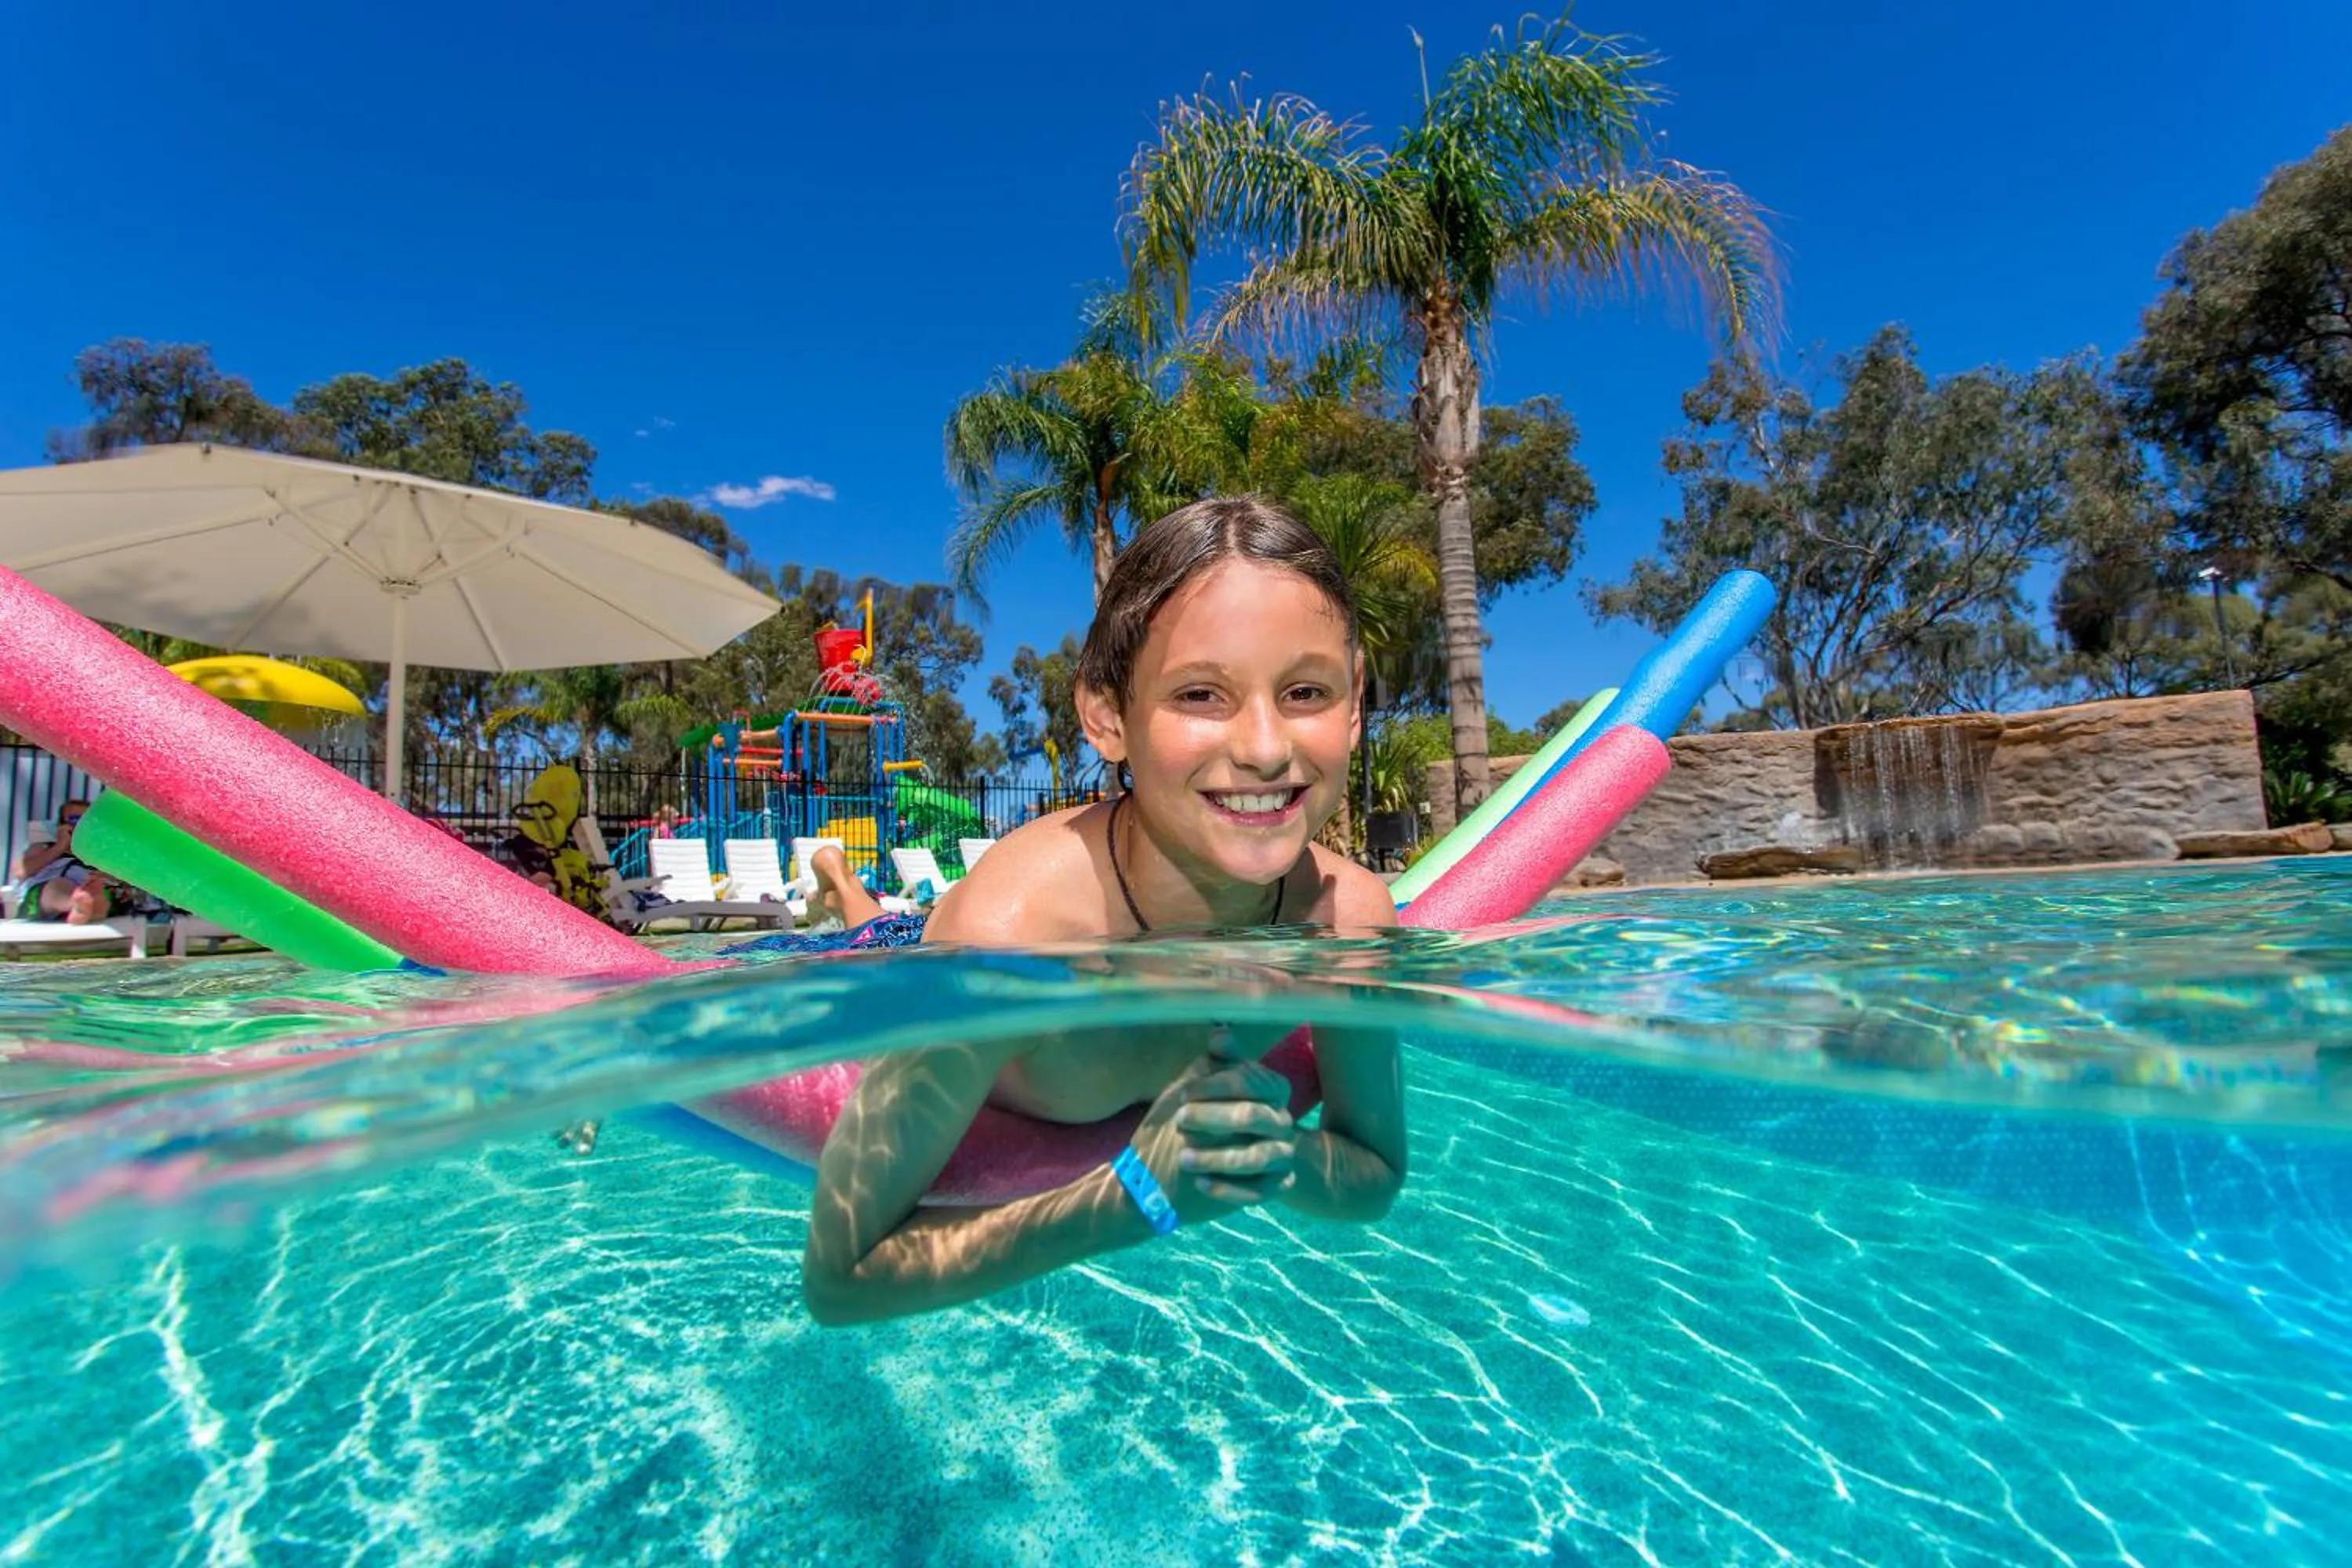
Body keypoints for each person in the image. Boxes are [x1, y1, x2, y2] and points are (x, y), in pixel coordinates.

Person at [794, 495, 1407, 1326]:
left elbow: (1372, 1167)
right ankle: (839, 877)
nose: (1266, 748)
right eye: (1201, 693)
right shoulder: (1008, 940)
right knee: (871, 941)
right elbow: (841, 1277)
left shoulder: (1352, 918)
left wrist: (1278, 1155)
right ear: (1106, 715)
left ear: (1357, 701)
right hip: (907, 952)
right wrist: (1129, 1197)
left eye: (1305, 690)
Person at [8, 800, 117, 924]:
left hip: (90, 888)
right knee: (57, 886)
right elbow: (20, 871)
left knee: (102, 888)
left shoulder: (100, 855)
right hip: (43, 899)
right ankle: (78, 905)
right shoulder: (44, 847)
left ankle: (90, 906)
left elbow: (117, 879)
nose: (81, 826)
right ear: (61, 825)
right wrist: (60, 846)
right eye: (75, 819)